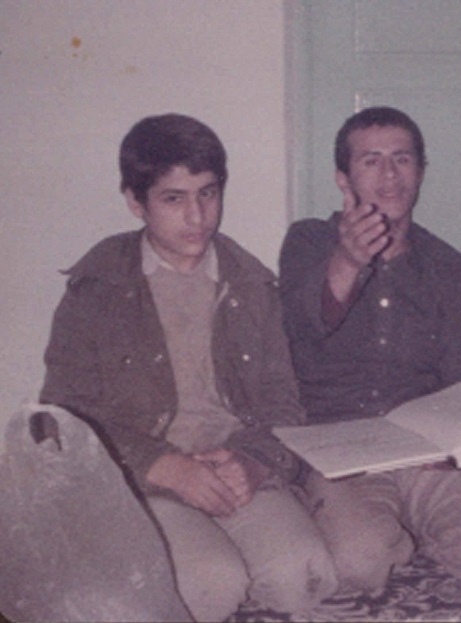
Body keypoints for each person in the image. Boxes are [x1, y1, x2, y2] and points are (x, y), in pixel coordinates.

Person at [40, 114, 337, 620]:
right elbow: (62, 417)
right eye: (174, 199)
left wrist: (254, 462)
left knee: (304, 575)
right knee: (213, 583)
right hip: (144, 478)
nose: (197, 216)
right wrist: (163, 466)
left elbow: (283, 401)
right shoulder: (98, 289)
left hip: (234, 466)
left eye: (208, 194)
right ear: (136, 202)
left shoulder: (252, 285)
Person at [278, 106, 461, 594]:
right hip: (341, 450)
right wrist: (348, 261)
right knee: (359, 565)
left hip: (425, 448)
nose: (389, 175)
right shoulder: (308, 240)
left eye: (402, 159)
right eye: (371, 161)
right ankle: (374, 528)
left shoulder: (447, 266)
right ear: (343, 178)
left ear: (420, 171)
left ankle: (415, 527)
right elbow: (303, 327)